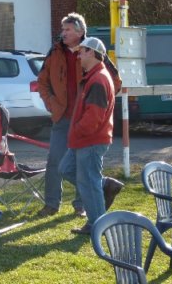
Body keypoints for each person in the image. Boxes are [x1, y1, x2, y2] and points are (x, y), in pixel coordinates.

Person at [37, 12, 123, 218]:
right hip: (62, 117)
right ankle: (51, 204)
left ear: (80, 32)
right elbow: (42, 81)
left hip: (87, 120)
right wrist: (52, 104)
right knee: (57, 163)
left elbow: (115, 81)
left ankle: (82, 205)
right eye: (63, 29)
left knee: (82, 165)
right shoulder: (54, 52)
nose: (63, 33)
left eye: (67, 29)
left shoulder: (92, 51)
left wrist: (99, 107)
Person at [58, 37, 116, 235]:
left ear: (92, 53)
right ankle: (104, 185)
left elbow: (94, 118)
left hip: (90, 141)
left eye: (82, 52)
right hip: (83, 140)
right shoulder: (94, 76)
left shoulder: (98, 79)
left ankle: (97, 225)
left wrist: (77, 130)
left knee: (89, 182)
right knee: (66, 169)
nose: (79, 56)